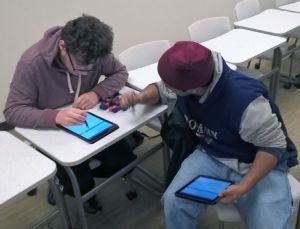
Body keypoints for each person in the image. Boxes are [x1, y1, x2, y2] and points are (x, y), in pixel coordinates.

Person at [120, 41, 294, 228]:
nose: (167, 87)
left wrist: (244, 187)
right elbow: (161, 88)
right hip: (212, 154)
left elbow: (273, 146)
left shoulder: (246, 102)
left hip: (255, 161)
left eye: (172, 87)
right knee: (173, 202)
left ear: (191, 89)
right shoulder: (193, 78)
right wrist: (138, 98)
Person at [4, 15, 138, 214]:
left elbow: (120, 72)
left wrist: (96, 93)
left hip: (87, 121)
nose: (85, 72)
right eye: (80, 65)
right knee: (79, 182)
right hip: (51, 130)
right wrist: (55, 117)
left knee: (125, 160)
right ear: (62, 46)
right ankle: (70, 189)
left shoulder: (94, 52)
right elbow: (12, 111)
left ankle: (84, 186)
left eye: (92, 66)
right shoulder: (32, 63)